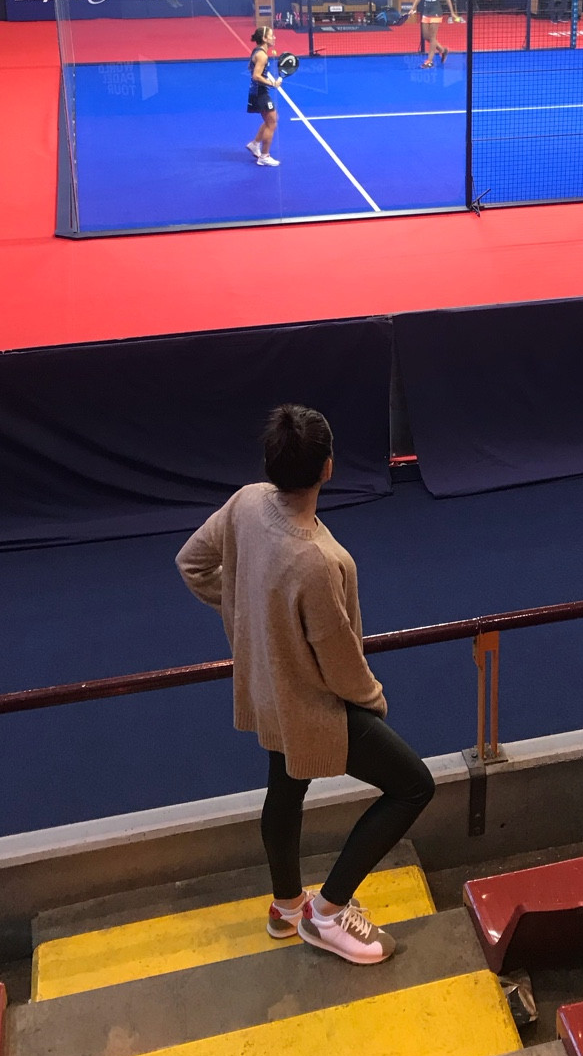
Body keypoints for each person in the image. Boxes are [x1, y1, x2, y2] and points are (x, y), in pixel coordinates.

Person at [177, 404, 433, 963]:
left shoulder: (246, 502)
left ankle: (287, 906)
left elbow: (192, 563)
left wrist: (249, 616)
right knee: (413, 786)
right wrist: (373, 700)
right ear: (328, 468)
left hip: (268, 689)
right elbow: (340, 663)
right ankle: (328, 911)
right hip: (313, 705)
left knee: (286, 786)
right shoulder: (319, 560)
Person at [242, 26, 282, 166]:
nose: (274, 37)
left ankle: (255, 144)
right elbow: (256, 76)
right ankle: (264, 156)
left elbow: (253, 69)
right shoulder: (262, 55)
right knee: (272, 123)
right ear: (264, 38)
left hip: (258, 92)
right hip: (260, 93)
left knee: (271, 120)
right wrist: (273, 83)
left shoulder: (258, 51)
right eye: (271, 35)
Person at [414, 0, 459, 67]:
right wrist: (413, 7)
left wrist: (452, 12)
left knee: (433, 37)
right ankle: (443, 50)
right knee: (426, 36)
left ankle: (429, 61)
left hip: (436, 12)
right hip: (426, 11)